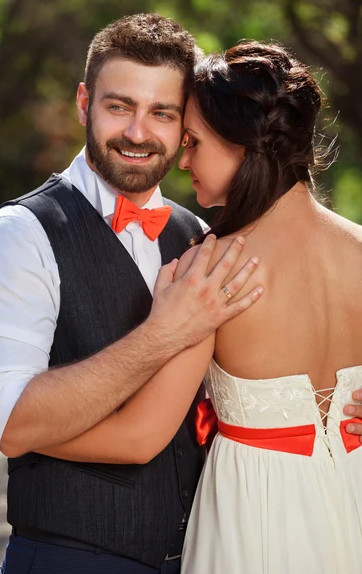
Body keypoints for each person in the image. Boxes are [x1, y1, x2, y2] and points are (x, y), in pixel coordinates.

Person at [0, 15, 264, 574]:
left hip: (202, 552)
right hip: (66, 558)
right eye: (118, 106)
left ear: (184, 126)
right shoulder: (16, 235)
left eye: (162, 113)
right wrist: (162, 333)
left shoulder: (197, 236)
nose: (137, 132)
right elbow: (12, 424)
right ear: (84, 103)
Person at [51, 41, 362, 573]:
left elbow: (140, 437)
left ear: (244, 145)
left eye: (193, 141)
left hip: (257, 517)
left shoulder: (211, 269)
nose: (183, 160)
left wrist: (29, 433)